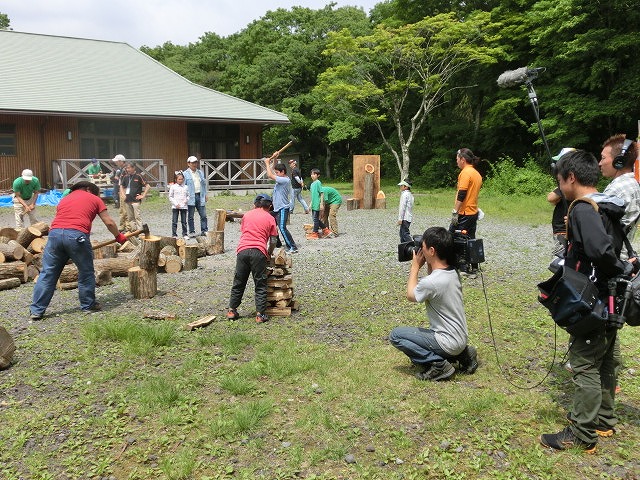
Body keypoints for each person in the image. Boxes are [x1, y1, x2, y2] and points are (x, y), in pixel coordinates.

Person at [539, 149, 630, 453]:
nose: (559, 187)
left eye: (560, 180)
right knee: (604, 361)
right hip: (612, 299)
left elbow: (600, 251)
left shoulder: (581, 208)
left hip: (594, 301)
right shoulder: (606, 204)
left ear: (571, 178)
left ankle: (581, 433)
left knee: (585, 364)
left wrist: (620, 269)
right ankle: (603, 419)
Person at [389, 226, 478, 381]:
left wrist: (415, 267)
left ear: (431, 251)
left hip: (447, 342)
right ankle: (464, 355)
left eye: (422, 248)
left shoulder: (431, 283)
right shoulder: (453, 272)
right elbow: (434, 276)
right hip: (460, 340)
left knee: (396, 335)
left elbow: (411, 295)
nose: (419, 251)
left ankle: (438, 365)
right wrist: (429, 263)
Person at [30, 181, 127, 320]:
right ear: (88, 189)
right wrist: (119, 236)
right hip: (76, 236)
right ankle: (88, 305)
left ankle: (37, 311)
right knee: (86, 272)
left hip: (55, 235)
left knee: (48, 273)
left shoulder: (65, 199)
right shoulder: (94, 198)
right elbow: (109, 222)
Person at [227, 194, 278, 324]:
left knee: (239, 281)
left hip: (242, 251)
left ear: (255, 204)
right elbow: (273, 240)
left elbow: (244, 231)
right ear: (269, 205)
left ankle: (232, 310)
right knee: (260, 283)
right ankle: (260, 315)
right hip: (258, 251)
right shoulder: (270, 218)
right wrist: (269, 252)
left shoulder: (247, 215)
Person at [449, 148, 483, 273]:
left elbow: (462, 194)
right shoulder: (476, 173)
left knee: (455, 237)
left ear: (463, 159)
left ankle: (463, 267)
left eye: (457, 159)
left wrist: (455, 212)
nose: (456, 162)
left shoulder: (465, 173)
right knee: (471, 238)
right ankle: (474, 266)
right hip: (473, 212)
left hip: (464, 212)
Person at [265, 155, 298, 253]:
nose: (276, 174)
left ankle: (293, 247)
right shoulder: (281, 178)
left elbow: (270, 175)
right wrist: (275, 159)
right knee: (271, 225)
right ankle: (277, 243)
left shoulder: (285, 180)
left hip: (283, 208)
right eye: (276, 173)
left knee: (282, 228)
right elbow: (272, 173)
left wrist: (267, 163)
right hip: (276, 208)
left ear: (283, 172)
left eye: (277, 173)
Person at [547, 148, 575, 256]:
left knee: (561, 257)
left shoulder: (568, 184)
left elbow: (551, 198)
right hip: (563, 228)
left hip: (563, 229)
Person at [119, 162, 150, 232]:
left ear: (133, 168)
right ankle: (134, 231)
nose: (127, 169)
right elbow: (121, 186)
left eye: (129, 168)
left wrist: (143, 195)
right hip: (127, 200)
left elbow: (148, 186)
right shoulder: (126, 177)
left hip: (136, 200)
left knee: (137, 216)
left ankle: (140, 231)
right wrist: (123, 194)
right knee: (130, 217)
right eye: (126, 168)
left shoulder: (139, 176)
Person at [183, 156, 208, 237]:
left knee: (203, 215)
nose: (194, 164)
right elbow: (183, 186)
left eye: (196, 162)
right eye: (193, 162)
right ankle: (192, 231)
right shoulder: (185, 174)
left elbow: (204, 185)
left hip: (200, 195)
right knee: (191, 216)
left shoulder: (200, 172)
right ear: (188, 164)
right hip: (191, 197)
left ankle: (204, 230)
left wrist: (206, 194)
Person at [308, 168, 331, 239]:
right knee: (315, 219)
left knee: (315, 219)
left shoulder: (318, 182)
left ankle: (315, 233)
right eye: (311, 174)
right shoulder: (312, 184)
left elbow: (321, 193)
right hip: (314, 204)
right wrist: (310, 205)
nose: (312, 175)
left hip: (317, 204)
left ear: (318, 175)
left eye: (314, 174)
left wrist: (321, 204)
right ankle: (326, 230)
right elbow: (313, 196)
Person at [169, 171, 189, 239]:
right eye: (179, 179)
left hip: (184, 206)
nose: (181, 180)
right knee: (175, 221)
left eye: (182, 179)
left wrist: (186, 200)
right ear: (176, 180)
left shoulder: (186, 187)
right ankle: (174, 234)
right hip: (175, 206)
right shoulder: (173, 187)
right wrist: (175, 203)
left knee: (184, 221)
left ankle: (185, 234)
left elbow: (188, 195)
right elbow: (170, 196)